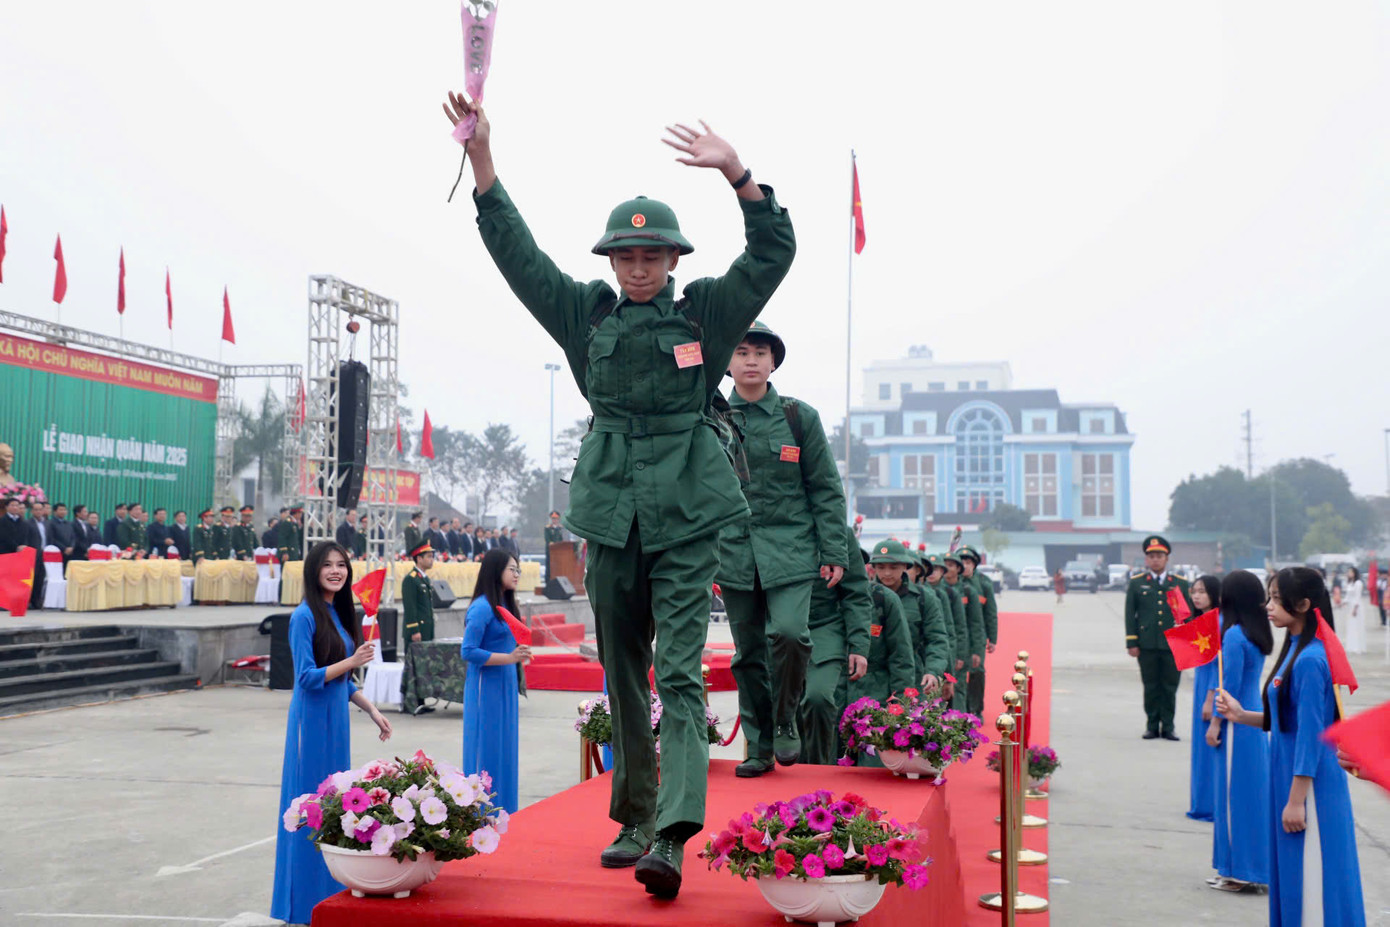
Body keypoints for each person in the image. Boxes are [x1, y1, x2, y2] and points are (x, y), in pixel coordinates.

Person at [446, 90, 795, 898]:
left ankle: (671, 834)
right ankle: (635, 812)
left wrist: (738, 175)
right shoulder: (585, 315)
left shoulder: (706, 314)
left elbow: (772, 253)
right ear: (611, 262)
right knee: (621, 665)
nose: (639, 269)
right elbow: (518, 256)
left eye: (654, 257)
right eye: (626, 258)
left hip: (687, 507)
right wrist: (483, 161)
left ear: (674, 259)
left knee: (677, 668)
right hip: (609, 507)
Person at [718, 321, 846, 776]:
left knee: (791, 634)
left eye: (760, 353)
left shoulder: (798, 417)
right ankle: (757, 744)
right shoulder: (710, 417)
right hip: (732, 550)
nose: (751, 360)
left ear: (774, 361)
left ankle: (785, 716)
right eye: (742, 351)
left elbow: (825, 488)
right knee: (748, 652)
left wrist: (834, 550)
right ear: (728, 362)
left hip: (791, 548)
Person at [1215, 567, 1365, 925]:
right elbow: (1284, 719)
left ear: (1302, 604)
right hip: (1291, 777)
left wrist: (1296, 801)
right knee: (1292, 875)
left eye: (1275, 598)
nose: (1267, 606)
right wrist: (1240, 714)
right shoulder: (1295, 648)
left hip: (1310, 785)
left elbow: (1311, 736)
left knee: (1312, 879)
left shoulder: (1312, 660)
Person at [270, 541, 392, 925]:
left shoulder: (338, 614)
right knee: (310, 809)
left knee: (335, 809)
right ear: (313, 570)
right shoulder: (303, 616)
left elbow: (342, 679)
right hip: (311, 721)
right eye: (328, 565)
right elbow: (306, 678)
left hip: (337, 721)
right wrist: (352, 661)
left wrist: (370, 708)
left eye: (342, 564)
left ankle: (328, 896)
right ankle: (300, 904)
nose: (336, 571)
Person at [1206, 570, 1272, 893]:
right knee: (1251, 797)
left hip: (1235, 722)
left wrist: (1215, 724)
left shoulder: (1233, 635)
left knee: (1232, 798)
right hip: (1253, 716)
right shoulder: (1256, 632)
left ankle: (1237, 872)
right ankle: (1246, 867)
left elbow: (1227, 687)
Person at [460, 548, 532, 814]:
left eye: (518, 570)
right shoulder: (482, 608)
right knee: (486, 749)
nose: (516, 574)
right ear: (495, 570)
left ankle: (505, 811)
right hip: (485, 688)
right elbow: (468, 651)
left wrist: (517, 654)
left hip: (505, 685)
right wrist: (509, 657)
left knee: (505, 747)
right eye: (512, 569)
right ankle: (481, 815)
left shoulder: (504, 605)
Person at [798, 523, 871, 766]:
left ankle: (818, 767)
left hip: (824, 626)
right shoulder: (768, 521)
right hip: (775, 626)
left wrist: (858, 646)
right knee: (781, 708)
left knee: (818, 699)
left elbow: (856, 593)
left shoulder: (839, 532)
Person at [1125, 535, 1194, 741]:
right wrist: (1132, 641)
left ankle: (1169, 727)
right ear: (1146, 559)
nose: (1155, 560)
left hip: (1172, 645)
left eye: (1159, 556)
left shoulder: (1179, 583)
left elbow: (1185, 614)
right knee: (1151, 686)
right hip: (1146, 645)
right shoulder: (1138, 584)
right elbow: (1131, 614)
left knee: (1170, 687)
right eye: (1151, 556)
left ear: (1167, 559)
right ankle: (1152, 726)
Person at [868, 539, 948, 695]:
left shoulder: (923, 598)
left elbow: (937, 639)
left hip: (912, 677)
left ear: (905, 566)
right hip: (870, 681)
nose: (887, 573)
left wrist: (933, 670)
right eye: (881, 567)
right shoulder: (863, 597)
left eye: (893, 567)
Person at [1186, 574, 1222, 822]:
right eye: (1194, 591)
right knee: (1200, 748)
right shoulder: (1204, 619)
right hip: (1201, 685)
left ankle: (1209, 805)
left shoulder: (1218, 621)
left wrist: (1209, 699)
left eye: (1203, 591)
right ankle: (1202, 801)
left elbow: (1217, 664)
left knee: (1208, 748)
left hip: (1209, 689)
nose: (1197, 596)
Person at [925, 553, 968, 708]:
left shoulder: (947, 594)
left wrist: (959, 656)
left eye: (937, 569)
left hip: (942, 653)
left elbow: (954, 629)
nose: (932, 573)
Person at [958, 546, 997, 716]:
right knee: (957, 672)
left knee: (976, 671)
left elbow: (990, 613)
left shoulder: (983, 583)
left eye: (968, 562)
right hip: (958, 635)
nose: (965, 566)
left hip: (977, 635)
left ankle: (975, 709)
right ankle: (960, 706)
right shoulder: (953, 582)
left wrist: (992, 638)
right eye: (961, 562)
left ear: (974, 565)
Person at [1341, 565, 1365, 654]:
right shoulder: (1350, 583)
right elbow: (1348, 596)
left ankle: (1358, 647)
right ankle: (1351, 646)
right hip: (1350, 606)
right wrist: (1343, 602)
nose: (1349, 574)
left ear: (1354, 573)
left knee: (1356, 625)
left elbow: (1357, 597)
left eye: (1350, 572)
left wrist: (1355, 608)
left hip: (1356, 607)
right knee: (1351, 626)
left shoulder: (1358, 583)